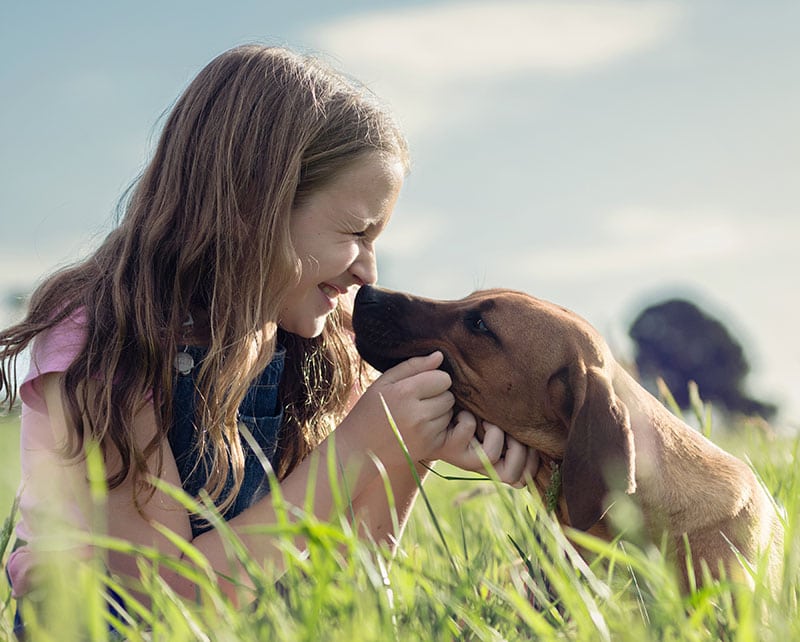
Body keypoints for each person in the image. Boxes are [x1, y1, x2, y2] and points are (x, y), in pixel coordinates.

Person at [0, 44, 539, 630]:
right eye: (357, 232)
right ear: (254, 206)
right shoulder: (105, 343)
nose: (368, 271)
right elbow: (161, 600)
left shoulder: (318, 349)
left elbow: (356, 588)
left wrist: (406, 451)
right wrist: (357, 448)